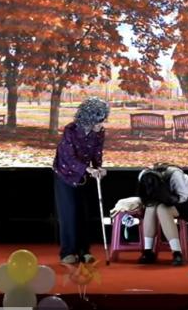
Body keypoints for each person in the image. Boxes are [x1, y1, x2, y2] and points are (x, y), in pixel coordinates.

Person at [52, 97, 109, 265]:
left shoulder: (99, 132)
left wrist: (98, 168)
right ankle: (68, 252)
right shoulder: (70, 130)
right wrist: (88, 169)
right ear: (89, 118)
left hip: (83, 175)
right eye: (99, 120)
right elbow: (68, 158)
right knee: (69, 213)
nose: (102, 123)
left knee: (83, 213)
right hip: (65, 175)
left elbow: (97, 152)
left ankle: (84, 251)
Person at [136, 163, 188, 266]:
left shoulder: (175, 174)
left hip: (182, 201)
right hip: (159, 200)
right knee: (151, 207)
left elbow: (183, 197)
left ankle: (177, 253)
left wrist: (167, 200)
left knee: (163, 209)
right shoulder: (143, 175)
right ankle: (148, 251)